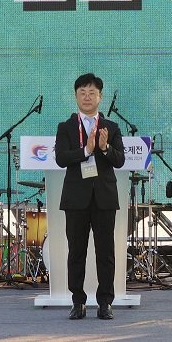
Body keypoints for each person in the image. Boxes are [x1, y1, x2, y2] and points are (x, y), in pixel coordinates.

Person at [55, 73, 125, 320]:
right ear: (76, 97)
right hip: (76, 199)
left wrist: (104, 147)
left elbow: (120, 160)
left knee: (105, 252)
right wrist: (86, 150)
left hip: (104, 198)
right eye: (82, 92)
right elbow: (61, 158)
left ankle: (105, 302)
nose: (87, 97)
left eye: (92, 92)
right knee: (77, 252)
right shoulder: (65, 127)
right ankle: (78, 301)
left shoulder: (112, 127)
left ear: (100, 97)